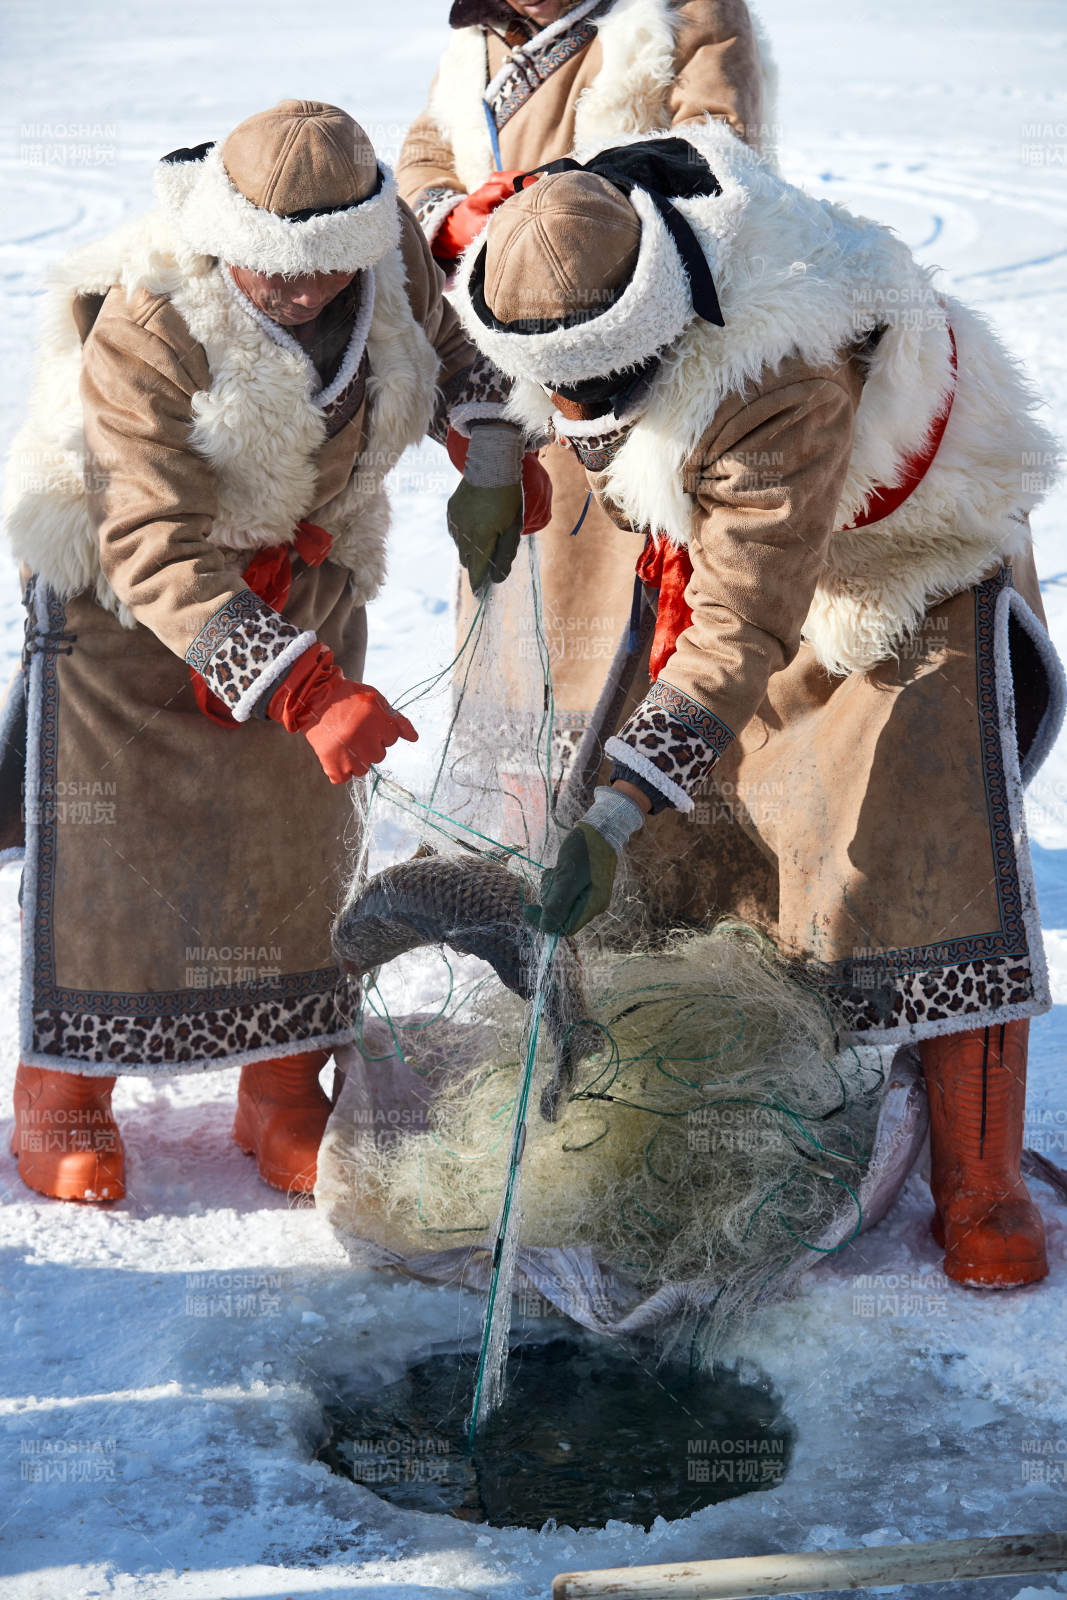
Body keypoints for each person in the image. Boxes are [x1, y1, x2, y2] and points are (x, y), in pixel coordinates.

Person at [450, 123, 1065, 1289]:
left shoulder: (784, 371)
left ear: (657, 336)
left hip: (904, 549)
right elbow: (497, 336)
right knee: (696, 843)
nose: (571, 409)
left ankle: (978, 1180)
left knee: (917, 845)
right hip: (728, 550)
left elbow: (738, 622)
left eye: (595, 394)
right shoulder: (569, 232)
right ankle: (710, 1096)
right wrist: (494, 456)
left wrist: (620, 804)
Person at [3, 99, 537, 1204]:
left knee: (300, 837)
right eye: (272, 272)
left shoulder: (383, 250)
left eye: (320, 272)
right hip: (125, 593)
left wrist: (486, 446)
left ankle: (284, 1083)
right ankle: (66, 1088)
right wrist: (304, 688)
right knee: (115, 854)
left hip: (305, 557)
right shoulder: (152, 319)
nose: (297, 292)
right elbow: (149, 541)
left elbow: (447, 344)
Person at [396, 0, 774, 833]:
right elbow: (426, 148)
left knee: (624, 600)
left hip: (628, 344)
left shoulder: (686, 13)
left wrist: (557, 213)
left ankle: (627, 824)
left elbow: (716, 153)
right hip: (499, 341)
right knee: (514, 593)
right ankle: (519, 826)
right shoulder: (478, 36)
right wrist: (452, 217)